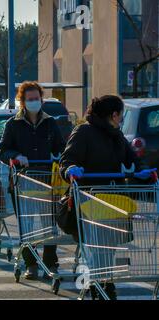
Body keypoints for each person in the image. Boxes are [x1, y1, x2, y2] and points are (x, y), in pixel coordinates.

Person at [60, 95, 150, 300]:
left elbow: (133, 160)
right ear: (114, 114)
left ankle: (104, 285)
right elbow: (67, 160)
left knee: (107, 249)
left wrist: (143, 171)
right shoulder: (83, 132)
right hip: (89, 200)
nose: (122, 118)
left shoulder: (116, 135)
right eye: (121, 114)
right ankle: (101, 288)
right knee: (97, 248)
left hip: (112, 201)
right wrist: (71, 169)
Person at [0, 81, 65, 280]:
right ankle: (31, 264)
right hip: (22, 181)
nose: (35, 102)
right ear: (23, 102)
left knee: (49, 225)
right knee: (27, 225)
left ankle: (51, 263)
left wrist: (59, 156)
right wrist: (17, 156)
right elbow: (3, 151)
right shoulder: (13, 124)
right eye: (30, 99)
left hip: (46, 181)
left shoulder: (50, 122)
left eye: (37, 99)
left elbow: (60, 147)